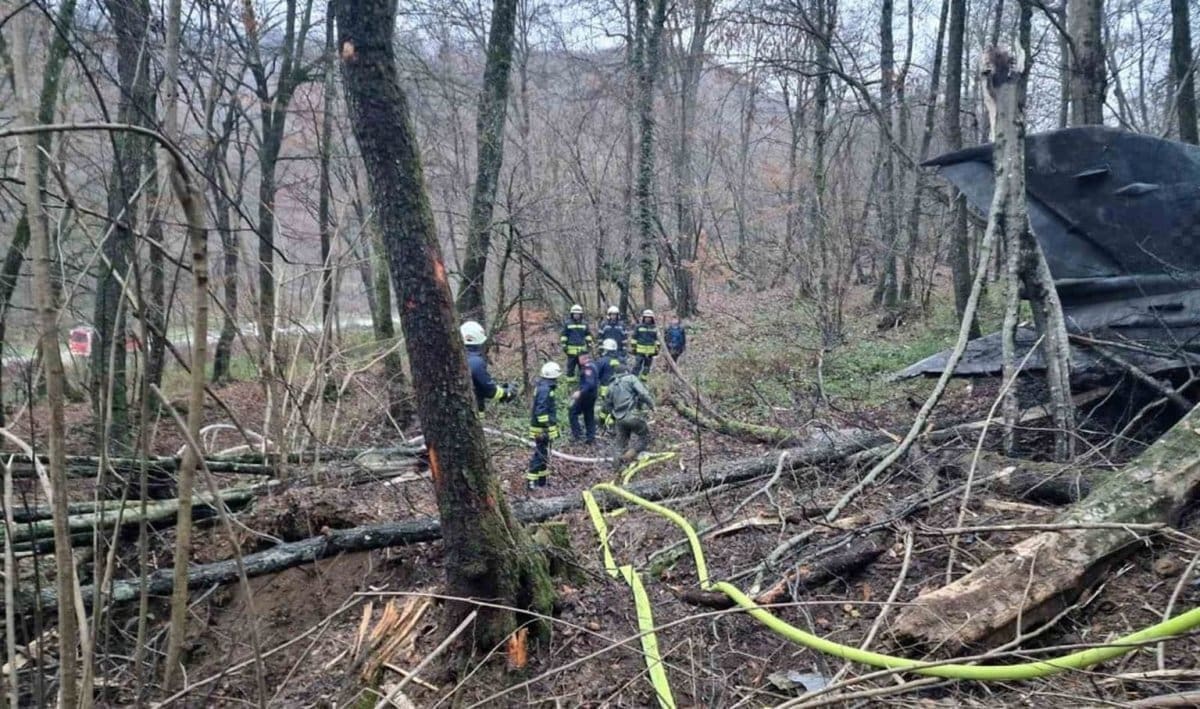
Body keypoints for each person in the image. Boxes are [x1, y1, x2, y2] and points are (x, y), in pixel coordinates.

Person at [602, 363, 655, 468]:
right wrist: (652, 405)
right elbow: (643, 393)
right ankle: (628, 456)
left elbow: (607, 406)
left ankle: (616, 470)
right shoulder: (631, 378)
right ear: (626, 371)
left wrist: (612, 417)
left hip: (619, 419)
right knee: (645, 437)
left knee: (620, 446)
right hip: (632, 415)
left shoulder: (611, 386)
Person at [461, 321, 517, 414]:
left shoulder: (455, 358)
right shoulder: (475, 362)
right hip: (471, 414)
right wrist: (507, 393)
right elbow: (489, 390)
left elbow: (478, 386)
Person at [526, 361, 561, 489]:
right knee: (540, 454)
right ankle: (531, 481)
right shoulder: (545, 389)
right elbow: (541, 411)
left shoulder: (543, 386)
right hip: (541, 429)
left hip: (542, 428)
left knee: (544, 454)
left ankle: (542, 480)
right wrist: (547, 427)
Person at [568, 352, 598, 445]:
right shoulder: (593, 365)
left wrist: (580, 392)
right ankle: (590, 437)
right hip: (591, 395)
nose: (578, 360)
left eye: (580, 358)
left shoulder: (588, 367)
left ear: (584, 358)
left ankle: (577, 435)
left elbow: (590, 383)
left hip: (586, 396)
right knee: (588, 415)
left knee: (572, 412)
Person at [559, 304, 594, 380]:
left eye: (578, 314)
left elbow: (587, 334)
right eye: (575, 314)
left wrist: (589, 343)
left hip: (582, 351)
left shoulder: (584, 324)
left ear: (581, 314)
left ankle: (583, 382)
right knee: (570, 368)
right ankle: (570, 383)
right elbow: (564, 335)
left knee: (583, 368)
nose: (576, 315)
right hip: (571, 352)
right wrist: (564, 345)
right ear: (572, 314)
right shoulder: (567, 323)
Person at [632, 309, 660, 380]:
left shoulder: (655, 328)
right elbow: (634, 339)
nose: (648, 319)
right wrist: (634, 348)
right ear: (644, 318)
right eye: (646, 317)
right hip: (639, 351)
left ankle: (643, 381)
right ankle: (633, 379)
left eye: (649, 317)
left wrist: (657, 349)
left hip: (650, 352)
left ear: (652, 318)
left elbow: (657, 340)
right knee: (637, 366)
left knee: (647, 367)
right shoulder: (638, 327)